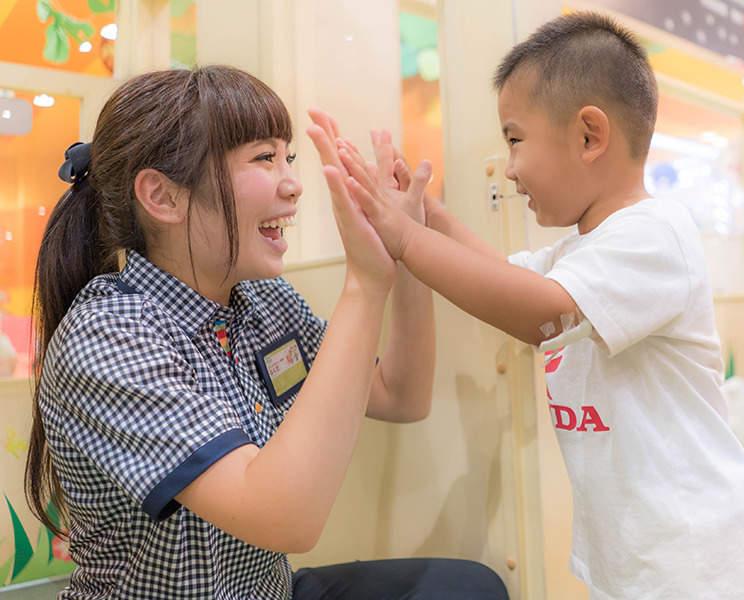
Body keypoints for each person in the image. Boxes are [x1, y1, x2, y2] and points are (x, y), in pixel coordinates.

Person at [333, 12, 744, 600]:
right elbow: (501, 276)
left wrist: (406, 239)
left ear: (590, 135)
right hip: (633, 555)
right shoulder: (585, 250)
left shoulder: (655, 234)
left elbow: (540, 314)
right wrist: (425, 214)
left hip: (695, 559)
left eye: (515, 140)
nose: (510, 168)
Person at [25, 65, 508, 600]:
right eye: (263, 158)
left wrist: (405, 248)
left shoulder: (264, 300)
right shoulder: (109, 335)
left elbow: (401, 395)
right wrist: (365, 286)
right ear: (163, 197)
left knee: (466, 586)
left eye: (289, 157)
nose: (293, 183)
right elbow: (285, 520)